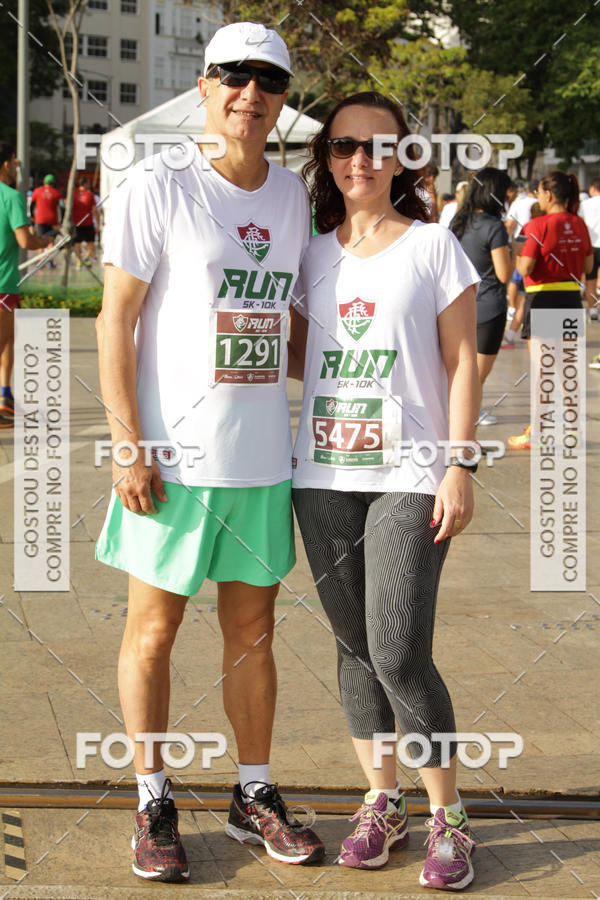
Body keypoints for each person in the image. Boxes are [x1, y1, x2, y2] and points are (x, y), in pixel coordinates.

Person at [95, 21, 324, 883]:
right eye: (233, 76)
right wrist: (130, 443)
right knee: (152, 635)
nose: (249, 94)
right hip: (171, 463)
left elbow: (295, 326)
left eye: (267, 81)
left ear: (282, 99)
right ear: (204, 85)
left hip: (262, 461)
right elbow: (115, 318)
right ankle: (152, 797)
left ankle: (252, 793)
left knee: (253, 638)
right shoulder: (157, 183)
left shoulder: (293, 198)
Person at [289, 91, 480, 892]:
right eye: (343, 147)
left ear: (403, 158)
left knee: (399, 647)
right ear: (326, 161)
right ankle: (382, 800)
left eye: (378, 147)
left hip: (412, 474)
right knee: (354, 649)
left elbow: (465, 358)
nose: (360, 160)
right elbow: (296, 356)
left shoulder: (435, 247)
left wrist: (460, 463)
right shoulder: (307, 255)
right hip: (323, 475)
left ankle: (450, 817)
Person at [508, 171, 593, 449]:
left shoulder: (538, 225)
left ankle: (538, 432)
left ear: (548, 195)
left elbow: (525, 267)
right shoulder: (578, 224)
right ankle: (573, 431)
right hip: (570, 299)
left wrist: (518, 256)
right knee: (567, 369)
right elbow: (589, 267)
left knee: (543, 371)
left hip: (542, 298)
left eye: (540, 190)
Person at [450, 168, 512, 426]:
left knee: (461, 372)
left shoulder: (457, 223)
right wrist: (514, 250)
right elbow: (504, 273)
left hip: (458, 308)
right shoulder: (495, 227)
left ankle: (458, 419)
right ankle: (469, 422)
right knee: (477, 376)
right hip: (489, 307)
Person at [0, 142, 53, 423]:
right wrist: (44, 242)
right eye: (14, 162)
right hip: (3, 285)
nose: (17, 167)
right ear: (6, 164)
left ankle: (4, 396)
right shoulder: (10, 197)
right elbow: (25, 240)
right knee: (2, 342)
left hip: (7, 286)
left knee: (8, 341)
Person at [580, 176, 600, 321]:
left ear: (593, 188)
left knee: (590, 280)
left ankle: (593, 310)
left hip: (591, 246)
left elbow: (580, 224)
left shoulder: (585, 205)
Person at [72, 177, 98, 266]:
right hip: (88, 223)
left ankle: (78, 261)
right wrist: (97, 223)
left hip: (76, 223)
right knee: (90, 242)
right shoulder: (89, 195)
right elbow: (95, 210)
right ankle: (87, 257)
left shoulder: (74, 195)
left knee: (77, 243)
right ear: (85, 184)